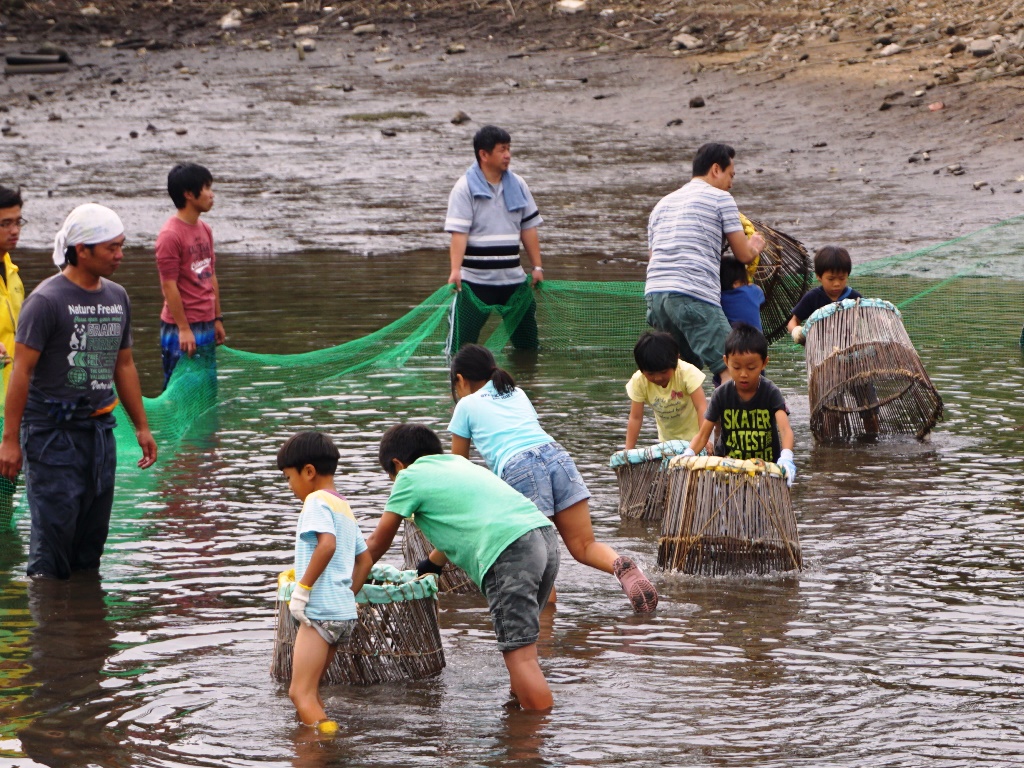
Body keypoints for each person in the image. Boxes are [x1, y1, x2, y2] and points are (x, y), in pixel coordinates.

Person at [0, 204, 157, 579]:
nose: (120, 255)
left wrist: (142, 427)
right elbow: (21, 371)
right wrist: (10, 440)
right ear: (81, 250)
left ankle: (85, 622)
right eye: (111, 248)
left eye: (122, 246)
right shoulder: (46, 301)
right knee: (53, 541)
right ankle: (49, 625)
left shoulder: (117, 297)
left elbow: (124, 365)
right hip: (51, 435)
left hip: (100, 433)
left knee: (91, 541)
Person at [448, 344, 658, 613]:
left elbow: (459, 468)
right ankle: (622, 565)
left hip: (520, 468)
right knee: (584, 545)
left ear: (460, 380)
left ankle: (545, 636)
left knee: (536, 559)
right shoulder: (516, 392)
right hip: (558, 457)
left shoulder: (466, 405)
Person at [364, 423, 559, 710]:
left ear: (397, 465)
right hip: (543, 538)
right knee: (523, 652)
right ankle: (519, 724)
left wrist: (346, 578)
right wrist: (431, 564)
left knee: (520, 656)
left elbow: (377, 543)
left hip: (509, 551)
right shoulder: (458, 464)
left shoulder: (408, 477)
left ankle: (536, 744)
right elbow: (470, 520)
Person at [645, 142, 766, 385]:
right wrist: (755, 244)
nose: (731, 183)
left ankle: (696, 423)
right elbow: (743, 255)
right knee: (732, 367)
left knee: (684, 376)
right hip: (692, 294)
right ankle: (735, 424)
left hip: (656, 296)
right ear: (715, 169)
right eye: (730, 175)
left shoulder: (661, 205)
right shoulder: (721, 198)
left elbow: (655, 258)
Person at [277, 431, 372, 735]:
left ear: (308, 471)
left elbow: (326, 545)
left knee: (299, 693)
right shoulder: (343, 506)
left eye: (289, 478)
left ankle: (329, 746)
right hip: (342, 615)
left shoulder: (315, 501)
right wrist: (345, 596)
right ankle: (323, 739)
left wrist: (302, 591)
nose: (290, 487)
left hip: (318, 613)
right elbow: (365, 561)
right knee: (312, 692)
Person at [444, 125, 544, 355]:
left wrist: (537, 266)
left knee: (528, 347)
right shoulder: (464, 188)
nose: (508, 155)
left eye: (508, 149)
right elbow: (459, 233)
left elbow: (528, 228)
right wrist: (455, 270)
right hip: (474, 283)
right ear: (484, 154)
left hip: (513, 281)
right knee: (460, 349)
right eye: (502, 150)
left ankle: (527, 386)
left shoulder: (518, 184)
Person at [683, 323, 797, 486]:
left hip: (765, 470)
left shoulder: (771, 392)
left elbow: (785, 430)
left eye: (751, 368)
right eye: (736, 367)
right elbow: (703, 435)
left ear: (764, 363)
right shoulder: (721, 395)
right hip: (729, 469)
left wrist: (786, 457)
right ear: (726, 361)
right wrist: (688, 454)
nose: (743, 374)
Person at [155, 162, 225, 390]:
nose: (211, 194)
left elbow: (210, 274)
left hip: (205, 323)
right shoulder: (170, 235)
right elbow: (169, 286)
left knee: (205, 390)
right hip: (180, 329)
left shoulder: (204, 229)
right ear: (188, 194)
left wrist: (217, 318)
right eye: (205, 188)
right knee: (181, 392)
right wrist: (184, 328)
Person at [625, 331, 708, 454]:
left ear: (676, 359)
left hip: (698, 436)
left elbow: (702, 408)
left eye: (663, 372)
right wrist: (628, 451)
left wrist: (703, 440)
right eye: (650, 374)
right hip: (667, 442)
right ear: (641, 369)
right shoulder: (639, 381)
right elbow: (635, 418)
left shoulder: (687, 373)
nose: (658, 378)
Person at [787, 245, 862, 344]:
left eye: (842, 278)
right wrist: (797, 332)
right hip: (819, 349)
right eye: (831, 279)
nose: (837, 284)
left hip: (848, 348)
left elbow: (871, 317)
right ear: (819, 276)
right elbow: (793, 321)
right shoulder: (813, 297)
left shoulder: (854, 297)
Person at [0, 185, 26, 399]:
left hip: (12, 397)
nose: (15, 230)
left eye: (18, 222)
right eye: (5, 224)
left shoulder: (12, 272)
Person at [720, 256, 765, 331]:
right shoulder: (754, 291)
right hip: (757, 340)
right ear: (736, 283)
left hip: (732, 340)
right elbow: (761, 296)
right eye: (744, 282)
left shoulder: (720, 298)